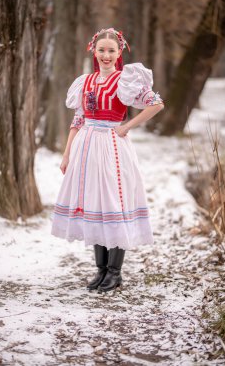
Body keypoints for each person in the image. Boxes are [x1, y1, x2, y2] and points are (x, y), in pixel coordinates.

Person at [51, 28, 164, 293]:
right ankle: (101, 270)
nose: (106, 55)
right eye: (101, 50)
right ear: (94, 51)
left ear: (118, 53)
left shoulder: (125, 80)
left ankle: (115, 272)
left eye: (111, 51)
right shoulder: (86, 81)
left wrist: (126, 127)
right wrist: (67, 153)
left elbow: (156, 104)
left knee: (113, 202)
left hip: (112, 147)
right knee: (94, 203)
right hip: (86, 147)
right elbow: (77, 120)